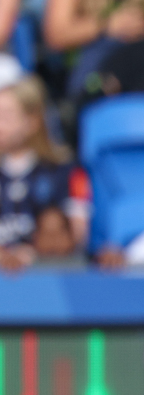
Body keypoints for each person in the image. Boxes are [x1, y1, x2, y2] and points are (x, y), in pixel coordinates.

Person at [0, 75, 89, 271]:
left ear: (32, 121)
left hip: (50, 277)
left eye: (6, 116)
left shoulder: (66, 172)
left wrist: (31, 255)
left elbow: (77, 235)